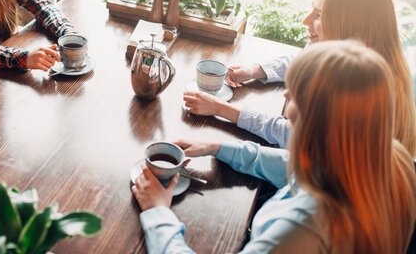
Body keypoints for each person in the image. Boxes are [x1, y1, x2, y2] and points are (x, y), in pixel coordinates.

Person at [134, 41, 416, 253]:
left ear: (318, 119)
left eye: (296, 92)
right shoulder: (385, 155)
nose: (285, 93)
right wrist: (218, 147)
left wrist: (157, 212)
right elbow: (293, 165)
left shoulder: (300, 228)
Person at [183, 0, 416, 156]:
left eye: (319, 14)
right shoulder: (365, 61)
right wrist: (256, 70)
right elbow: (301, 58)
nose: (305, 20)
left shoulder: (357, 91)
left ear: (351, 27)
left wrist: (221, 109)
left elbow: (291, 135)